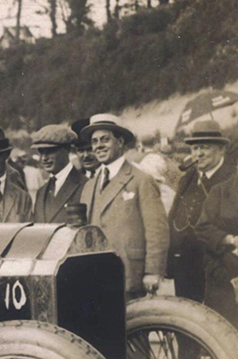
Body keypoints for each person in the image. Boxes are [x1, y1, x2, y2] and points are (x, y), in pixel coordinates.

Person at [80, 114, 169, 298]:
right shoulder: (89, 186)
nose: (99, 146)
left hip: (130, 275)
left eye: (105, 139)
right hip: (95, 276)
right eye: (95, 141)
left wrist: (153, 271)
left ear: (120, 142)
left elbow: (157, 229)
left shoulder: (141, 180)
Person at [168, 120, 233, 305]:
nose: (199, 153)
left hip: (220, 270)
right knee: (188, 325)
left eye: (204, 147)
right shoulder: (187, 179)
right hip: (186, 269)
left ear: (221, 150)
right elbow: (174, 216)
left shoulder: (232, 179)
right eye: (195, 148)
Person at [196, 164, 238, 328]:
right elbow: (202, 228)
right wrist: (231, 240)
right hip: (224, 271)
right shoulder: (220, 191)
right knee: (224, 329)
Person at [31, 125, 86, 224]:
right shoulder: (41, 191)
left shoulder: (85, 185)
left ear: (67, 150)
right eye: (41, 152)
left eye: (50, 151)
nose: (44, 158)